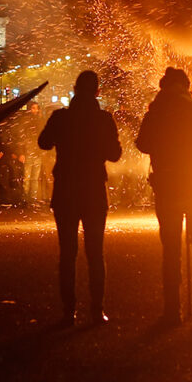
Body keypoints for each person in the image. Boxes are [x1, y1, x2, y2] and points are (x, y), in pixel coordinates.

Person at [136, 67, 192, 327]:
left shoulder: (156, 114)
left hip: (168, 188)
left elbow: (142, 144)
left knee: (171, 251)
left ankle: (172, 311)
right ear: (186, 87)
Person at [38, 71, 123, 326]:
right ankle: (97, 310)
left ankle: (68, 311)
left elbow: (43, 143)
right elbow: (116, 154)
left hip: (65, 191)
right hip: (94, 190)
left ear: (75, 89)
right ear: (97, 92)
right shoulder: (103, 119)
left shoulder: (60, 117)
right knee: (95, 253)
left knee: (67, 253)